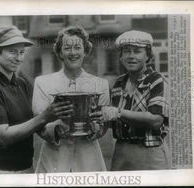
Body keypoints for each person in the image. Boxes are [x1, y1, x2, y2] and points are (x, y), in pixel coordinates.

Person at [0, 26, 73, 174]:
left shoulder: (21, 83)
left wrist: (54, 124)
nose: (19, 58)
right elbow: (2, 137)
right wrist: (44, 117)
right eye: (12, 51)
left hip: (26, 167)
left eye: (22, 52)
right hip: (0, 171)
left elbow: (29, 123)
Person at [32, 25, 110, 173]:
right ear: (60, 52)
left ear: (85, 51)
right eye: (67, 48)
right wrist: (55, 129)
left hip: (89, 160)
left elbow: (104, 123)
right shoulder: (42, 83)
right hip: (54, 159)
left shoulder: (101, 85)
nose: (72, 53)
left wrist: (96, 129)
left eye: (78, 47)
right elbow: (39, 121)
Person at [102, 30, 170, 170]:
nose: (131, 56)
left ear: (148, 55)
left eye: (137, 51)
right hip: (121, 152)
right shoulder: (119, 83)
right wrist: (98, 115)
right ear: (121, 57)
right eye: (126, 51)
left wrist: (117, 112)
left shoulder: (157, 80)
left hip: (150, 153)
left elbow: (156, 120)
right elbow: (115, 121)